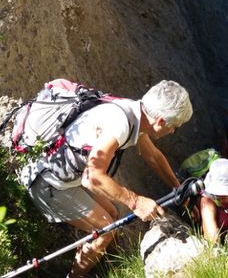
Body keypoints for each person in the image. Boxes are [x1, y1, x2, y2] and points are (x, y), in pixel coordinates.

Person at [21, 80, 193, 278]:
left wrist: (179, 188)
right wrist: (136, 202)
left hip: (64, 175)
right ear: (160, 121)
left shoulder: (134, 113)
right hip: (47, 183)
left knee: (112, 213)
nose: (173, 132)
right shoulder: (120, 124)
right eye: (175, 126)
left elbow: (153, 156)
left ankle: (106, 263)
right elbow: (92, 176)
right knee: (106, 229)